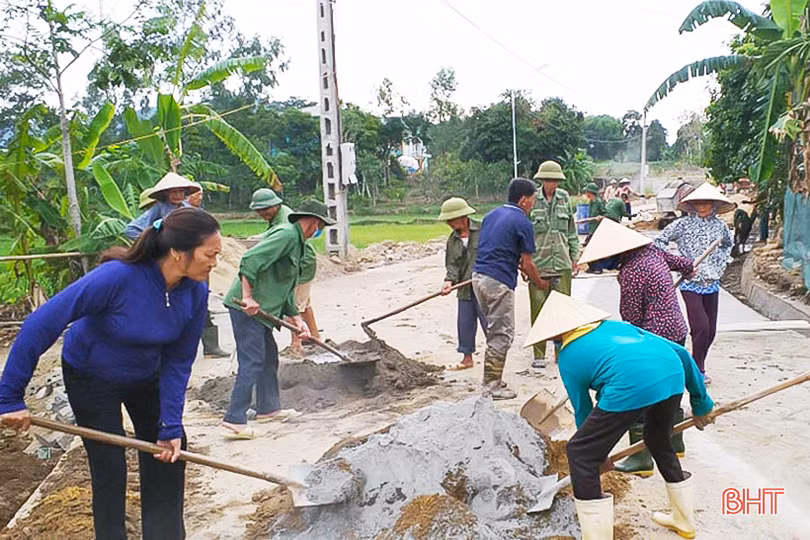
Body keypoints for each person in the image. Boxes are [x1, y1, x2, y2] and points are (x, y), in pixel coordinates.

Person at [0, 208, 221, 540]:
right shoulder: (117, 278)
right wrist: (9, 397)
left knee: (169, 453)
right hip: (91, 375)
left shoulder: (195, 291)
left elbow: (178, 361)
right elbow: (40, 324)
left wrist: (170, 425)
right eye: (210, 254)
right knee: (109, 465)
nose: (215, 262)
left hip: (145, 373)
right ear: (178, 252)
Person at [524, 291, 714, 540]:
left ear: (554, 334)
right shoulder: (618, 326)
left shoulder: (568, 356)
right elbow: (681, 352)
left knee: (580, 452)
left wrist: (597, 454)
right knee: (658, 438)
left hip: (630, 385)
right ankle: (684, 521)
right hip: (671, 375)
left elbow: (583, 409)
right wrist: (701, 403)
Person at [578, 218, 695, 476]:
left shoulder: (630, 272)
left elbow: (631, 318)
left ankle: (640, 458)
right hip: (677, 330)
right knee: (670, 388)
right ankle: (675, 444)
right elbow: (684, 263)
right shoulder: (653, 251)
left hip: (654, 337)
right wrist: (688, 271)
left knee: (643, 394)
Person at [221, 199, 335, 438]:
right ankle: (234, 420)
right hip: (246, 307)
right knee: (252, 361)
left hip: (263, 311)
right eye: (321, 226)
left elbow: (286, 286)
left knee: (269, 357)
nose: (319, 231)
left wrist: (297, 320)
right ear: (315, 223)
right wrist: (247, 297)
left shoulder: (299, 243)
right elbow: (250, 260)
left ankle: (268, 409)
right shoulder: (286, 235)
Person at [472, 178, 548, 400]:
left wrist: (519, 268)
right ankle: (492, 386)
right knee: (502, 333)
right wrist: (539, 282)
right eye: (532, 200)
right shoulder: (522, 222)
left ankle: (491, 377)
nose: (533, 204)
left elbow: (500, 249)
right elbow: (528, 263)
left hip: (478, 278)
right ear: (524, 200)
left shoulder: (491, 215)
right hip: (498, 282)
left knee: (494, 329)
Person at [655, 182, 734, 386]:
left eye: (706, 203)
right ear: (692, 205)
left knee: (711, 331)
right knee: (701, 327)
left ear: (713, 204)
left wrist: (719, 263)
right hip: (690, 282)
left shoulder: (720, 226)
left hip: (712, 282)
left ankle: (696, 363)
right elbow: (659, 242)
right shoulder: (683, 225)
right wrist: (678, 264)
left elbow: (728, 244)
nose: (702, 207)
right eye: (698, 203)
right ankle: (698, 369)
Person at [529, 160, 579, 369]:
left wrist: (575, 256)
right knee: (538, 311)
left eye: (555, 180)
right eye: (548, 180)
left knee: (562, 311)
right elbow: (525, 234)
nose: (552, 184)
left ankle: (561, 352)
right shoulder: (532, 200)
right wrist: (524, 264)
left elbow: (571, 231)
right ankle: (539, 353)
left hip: (562, 263)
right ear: (542, 180)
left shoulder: (564, 198)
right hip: (538, 264)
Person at [437, 197, 485, 371]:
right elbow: (452, 265)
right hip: (465, 287)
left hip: (485, 286)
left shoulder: (484, 230)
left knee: (489, 321)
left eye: (452, 220)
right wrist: (448, 281)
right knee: (465, 322)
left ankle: (496, 356)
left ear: (463, 217)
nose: (449, 224)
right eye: (448, 221)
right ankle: (467, 358)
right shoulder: (453, 240)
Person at [185, 182, 229, 357]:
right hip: (187, 268)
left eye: (201, 194)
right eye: (196, 194)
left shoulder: (199, 214)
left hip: (200, 267)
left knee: (201, 305)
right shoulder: (179, 214)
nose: (200, 197)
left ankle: (210, 347)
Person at [124, 172, 200, 239]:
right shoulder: (159, 207)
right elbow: (131, 229)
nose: (178, 195)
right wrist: (152, 243)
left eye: (181, 191)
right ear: (166, 193)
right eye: (174, 192)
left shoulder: (188, 208)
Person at [288, 240, 320, 355]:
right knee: (304, 303)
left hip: (300, 266)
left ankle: (296, 345)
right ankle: (315, 336)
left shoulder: (287, 233)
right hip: (302, 263)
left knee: (293, 306)